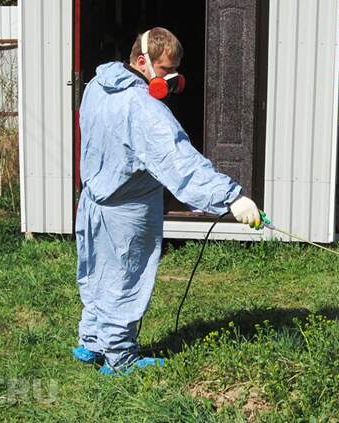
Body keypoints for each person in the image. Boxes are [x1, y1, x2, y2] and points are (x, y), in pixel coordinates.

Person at [72, 27, 260, 375]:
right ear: (141, 61)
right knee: (124, 278)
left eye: (174, 71)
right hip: (127, 210)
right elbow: (180, 162)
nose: (171, 80)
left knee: (97, 272)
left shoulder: (97, 85)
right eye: (163, 71)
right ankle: (119, 357)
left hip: (93, 201)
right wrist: (231, 197)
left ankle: (91, 342)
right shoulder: (143, 108)